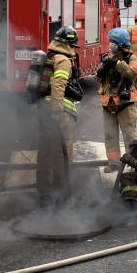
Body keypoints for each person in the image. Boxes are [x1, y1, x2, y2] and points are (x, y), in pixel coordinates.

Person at [35, 26, 81, 203]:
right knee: (62, 152)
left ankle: (43, 190)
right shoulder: (63, 60)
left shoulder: (50, 55)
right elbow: (58, 85)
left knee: (45, 150)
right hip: (56, 112)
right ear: (70, 44)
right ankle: (61, 192)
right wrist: (56, 111)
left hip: (41, 109)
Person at [96, 27, 137, 172]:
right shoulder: (107, 57)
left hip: (125, 105)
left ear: (121, 43)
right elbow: (99, 78)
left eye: (113, 42)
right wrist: (102, 70)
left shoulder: (131, 58)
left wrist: (117, 64)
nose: (111, 44)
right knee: (110, 136)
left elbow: (133, 73)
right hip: (108, 104)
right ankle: (113, 163)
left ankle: (134, 164)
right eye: (110, 41)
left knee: (130, 136)